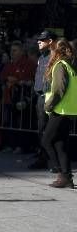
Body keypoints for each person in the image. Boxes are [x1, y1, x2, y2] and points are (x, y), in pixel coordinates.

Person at [41, 39, 77, 188]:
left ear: (56, 51)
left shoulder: (60, 65)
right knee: (60, 144)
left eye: (51, 50)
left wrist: (49, 106)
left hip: (59, 110)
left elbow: (58, 90)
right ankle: (67, 177)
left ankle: (62, 174)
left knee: (46, 140)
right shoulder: (71, 65)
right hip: (69, 110)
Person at [29, 31, 57, 170]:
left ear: (50, 41)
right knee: (41, 129)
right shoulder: (42, 57)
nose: (39, 42)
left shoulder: (55, 57)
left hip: (49, 97)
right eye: (38, 39)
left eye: (42, 40)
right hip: (40, 97)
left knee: (50, 132)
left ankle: (53, 162)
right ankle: (43, 158)